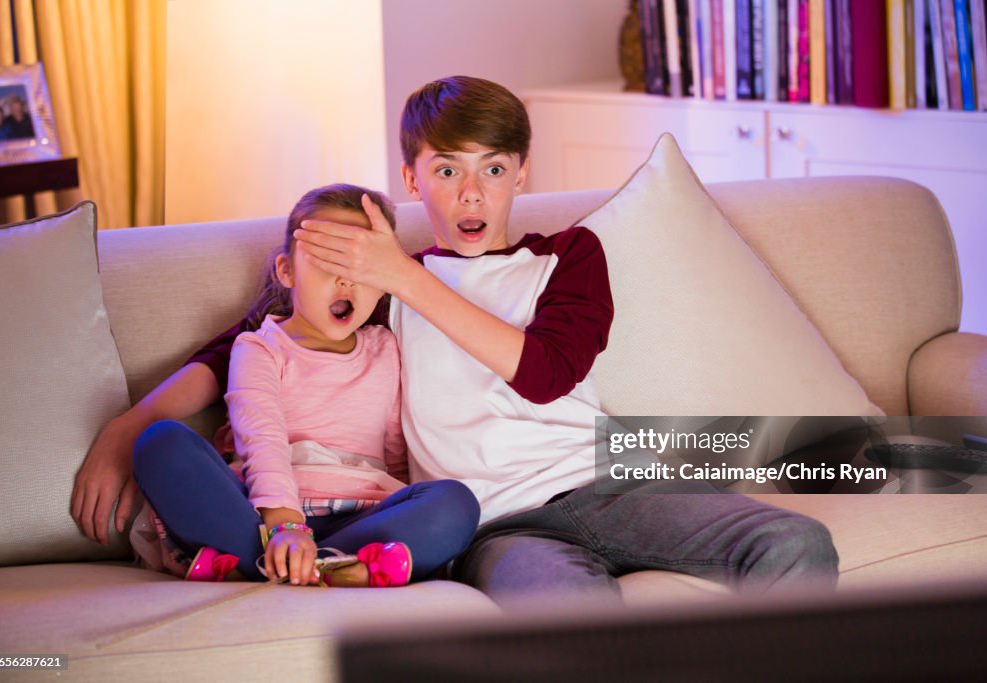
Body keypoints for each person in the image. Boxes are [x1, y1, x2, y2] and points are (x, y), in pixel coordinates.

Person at [73, 76, 837, 604]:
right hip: (494, 526)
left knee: (798, 545)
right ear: (412, 178)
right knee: (573, 626)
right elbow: (244, 344)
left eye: (492, 169)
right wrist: (126, 427)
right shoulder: (382, 286)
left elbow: (544, 372)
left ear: (520, 173)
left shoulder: (566, 257)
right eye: (446, 170)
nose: (471, 193)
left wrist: (404, 281)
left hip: (609, 485)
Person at [127, 183, 479, 586]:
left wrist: (409, 516)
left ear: (384, 282)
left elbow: (397, 453)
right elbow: (262, 438)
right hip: (262, 516)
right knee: (160, 442)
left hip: (360, 517)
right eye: (328, 264)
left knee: (455, 502)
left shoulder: (387, 349)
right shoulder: (259, 348)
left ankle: (265, 568)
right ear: (286, 271)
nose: (346, 283)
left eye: (361, 270)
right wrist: (286, 527)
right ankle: (330, 569)